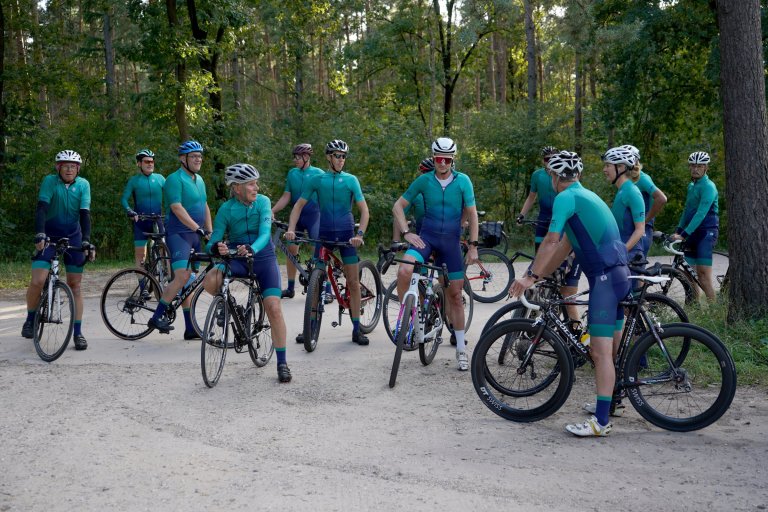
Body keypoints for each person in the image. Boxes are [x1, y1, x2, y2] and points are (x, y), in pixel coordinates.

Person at [508, 151, 630, 437]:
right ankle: (612, 402)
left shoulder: (565, 198)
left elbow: (550, 241)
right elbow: (563, 247)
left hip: (605, 281)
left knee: (600, 355)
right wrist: (537, 276)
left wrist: (528, 278)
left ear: (553, 176)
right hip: (617, 276)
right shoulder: (583, 196)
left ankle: (600, 423)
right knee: (609, 352)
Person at [393, 137, 479, 371]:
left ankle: (461, 349)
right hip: (426, 238)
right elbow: (398, 206)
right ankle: (408, 317)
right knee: (404, 269)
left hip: (450, 244)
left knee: (455, 297)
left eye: (447, 159)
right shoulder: (424, 180)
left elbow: (472, 214)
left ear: (453, 159)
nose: (442, 163)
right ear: (433, 158)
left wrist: (473, 245)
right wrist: (406, 232)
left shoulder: (463, 182)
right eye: (438, 158)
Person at [203, 164, 291, 383]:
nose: (256, 187)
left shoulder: (263, 202)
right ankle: (226, 303)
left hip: (263, 259)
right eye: (251, 184)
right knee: (210, 280)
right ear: (237, 188)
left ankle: (282, 363)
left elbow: (264, 234)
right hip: (238, 258)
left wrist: (253, 248)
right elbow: (213, 240)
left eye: (256, 183)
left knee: (274, 308)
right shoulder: (226, 209)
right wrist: (217, 248)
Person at [284, 139, 371, 345]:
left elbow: (364, 210)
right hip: (324, 236)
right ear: (328, 157)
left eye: (343, 156)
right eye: (337, 156)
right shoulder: (318, 180)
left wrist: (359, 234)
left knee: (352, 282)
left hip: (347, 235)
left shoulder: (351, 180)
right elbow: (297, 206)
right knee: (315, 280)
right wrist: (290, 229)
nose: (341, 160)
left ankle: (357, 329)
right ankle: (309, 327)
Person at [22, 150, 95, 349]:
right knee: (37, 280)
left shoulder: (83, 185)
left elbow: (85, 214)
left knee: (75, 286)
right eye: (65, 166)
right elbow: (42, 208)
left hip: (74, 235)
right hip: (49, 235)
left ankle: (78, 333)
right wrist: (40, 233)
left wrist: (87, 241)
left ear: (78, 169)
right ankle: (30, 319)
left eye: (73, 166)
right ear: (58, 167)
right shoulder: (49, 181)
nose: (69, 169)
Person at [147, 140, 212, 338]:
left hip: (196, 235)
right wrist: (197, 228)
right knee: (182, 276)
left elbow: (205, 205)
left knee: (189, 282)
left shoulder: (199, 180)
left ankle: (190, 328)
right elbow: (176, 207)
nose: (198, 159)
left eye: (200, 156)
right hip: (179, 234)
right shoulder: (174, 179)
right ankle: (157, 316)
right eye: (194, 156)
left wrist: (210, 231)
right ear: (183, 159)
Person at [517, 145, 581, 325]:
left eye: (553, 159)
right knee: (539, 261)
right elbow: (531, 196)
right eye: (546, 159)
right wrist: (522, 214)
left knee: (567, 290)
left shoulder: (567, 192)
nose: (549, 163)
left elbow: (557, 242)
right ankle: (536, 304)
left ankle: (570, 328)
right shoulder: (538, 175)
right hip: (545, 220)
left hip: (560, 223)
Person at [271, 143, 324, 299]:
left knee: (319, 251)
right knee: (291, 250)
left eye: (297, 157)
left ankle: (325, 289)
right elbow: (286, 196)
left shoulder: (318, 173)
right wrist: (272, 210)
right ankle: (290, 288)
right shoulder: (292, 173)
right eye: (294, 157)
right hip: (298, 217)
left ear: (306, 157)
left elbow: (326, 196)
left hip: (314, 216)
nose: (295, 160)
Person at [671, 151, 719, 300]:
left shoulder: (709, 186)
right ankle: (694, 307)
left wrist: (683, 234)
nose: (695, 169)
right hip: (692, 233)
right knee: (688, 274)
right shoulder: (691, 186)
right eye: (692, 166)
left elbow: (701, 213)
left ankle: (714, 310)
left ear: (706, 168)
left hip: (706, 232)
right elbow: (686, 210)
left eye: (699, 166)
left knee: (703, 276)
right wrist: (679, 230)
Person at [121, 149, 166, 268]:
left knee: (165, 252)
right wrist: (130, 211)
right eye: (146, 162)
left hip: (157, 220)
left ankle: (168, 281)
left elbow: (172, 196)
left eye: (152, 161)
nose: (150, 164)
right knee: (141, 258)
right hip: (140, 221)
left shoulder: (160, 178)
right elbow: (124, 199)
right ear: (139, 164)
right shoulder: (134, 181)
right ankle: (143, 286)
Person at [621, 145, 667, 258]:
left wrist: (645, 221)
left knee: (636, 269)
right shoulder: (625, 179)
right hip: (631, 227)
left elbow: (661, 198)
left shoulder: (642, 178)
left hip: (642, 228)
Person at [602, 147, 646, 264]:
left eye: (608, 165)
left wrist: (623, 250)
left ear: (621, 167)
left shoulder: (632, 191)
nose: (604, 169)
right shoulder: (622, 190)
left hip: (630, 255)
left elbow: (640, 229)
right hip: (621, 253)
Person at [390, 157, 432, 245]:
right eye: (423, 173)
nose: (422, 176)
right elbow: (398, 213)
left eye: (424, 173)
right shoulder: (416, 193)